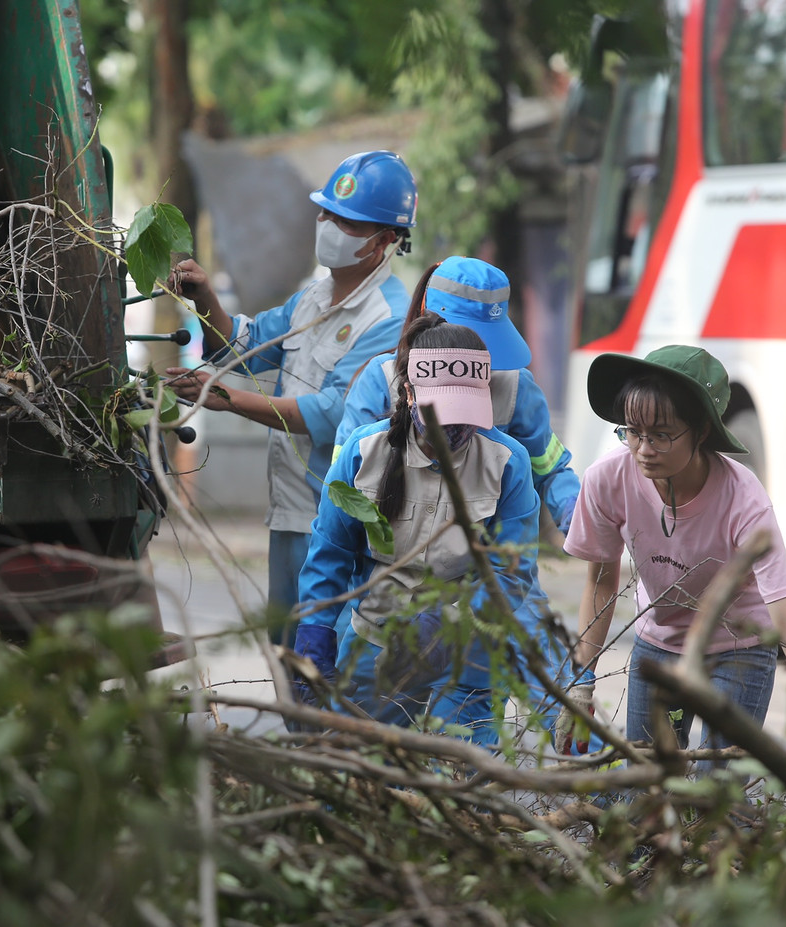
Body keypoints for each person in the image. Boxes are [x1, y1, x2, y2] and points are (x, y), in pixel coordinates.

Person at [165, 150, 417, 649]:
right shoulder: (312, 298)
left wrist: (228, 399)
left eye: (345, 221)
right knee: (286, 655)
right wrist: (204, 297)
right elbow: (246, 346)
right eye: (326, 213)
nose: (327, 225)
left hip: (338, 520)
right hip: (289, 511)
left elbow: (330, 413)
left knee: (326, 663)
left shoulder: (388, 319)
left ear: (386, 240)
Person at [557, 345, 786, 772]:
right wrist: (580, 684)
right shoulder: (607, 479)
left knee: (718, 791)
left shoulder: (743, 499)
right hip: (658, 648)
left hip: (739, 651)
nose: (643, 449)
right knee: (649, 784)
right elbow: (600, 585)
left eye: (661, 434)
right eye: (633, 432)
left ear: (701, 432)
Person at [292, 318, 548, 742]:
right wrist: (314, 633)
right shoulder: (363, 452)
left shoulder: (507, 463)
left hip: (470, 650)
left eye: (464, 415)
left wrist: (446, 624)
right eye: (441, 415)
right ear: (409, 394)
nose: (454, 429)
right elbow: (331, 552)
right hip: (375, 640)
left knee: (461, 781)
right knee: (359, 770)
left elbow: (512, 571)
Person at [333, 255, 580, 547]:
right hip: (386, 562)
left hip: (478, 568)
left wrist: (582, 520)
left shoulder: (514, 387)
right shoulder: (381, 379)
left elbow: (551, 470)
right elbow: (342, 484)